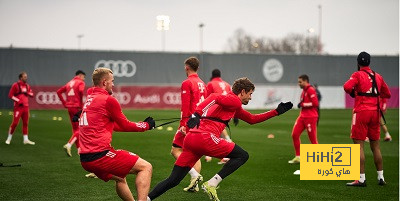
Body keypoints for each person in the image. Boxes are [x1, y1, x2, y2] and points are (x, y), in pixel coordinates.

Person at [148, 77, 293, 201]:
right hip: (205, 138)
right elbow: (213, 97)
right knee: (242, 155)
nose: (250, 97)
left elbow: (252, 119)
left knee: (173, 180)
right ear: (242, 91)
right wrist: (196, 114)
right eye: (250, 94)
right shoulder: (234, 100)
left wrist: (276, 112)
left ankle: (146, 199)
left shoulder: (234, 105)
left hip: (192, 139)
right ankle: (212, 184)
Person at [79, 67, 155, 200]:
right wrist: (146, 125)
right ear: (104, 82)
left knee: (120, 178)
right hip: (99, 156)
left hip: (85, 159)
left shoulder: (90, 98)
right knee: (146, 167)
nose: (113, 84)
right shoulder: (108, 100)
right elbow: (124, 124)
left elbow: (116, 126)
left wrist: (143, 125)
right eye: (112, 81)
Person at [344, 51, 391, 187]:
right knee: (375, 146)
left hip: (361, 112)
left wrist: (355, 92)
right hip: (375, 113)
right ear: (369, 62)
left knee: (358, 146)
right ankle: (381, 177)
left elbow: (347, 87)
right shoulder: (378, 76)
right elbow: (387, 93)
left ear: (358, 63)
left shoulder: (357, 75)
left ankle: (361, 179)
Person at [170, 57, 207, 192]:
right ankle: (195, 185)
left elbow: (185, 106)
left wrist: (183, 125)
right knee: (194, 154)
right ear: (197, 68)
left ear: (186, 67)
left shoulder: (187, 83)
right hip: (200, 122)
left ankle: (195, 175)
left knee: (175, 150)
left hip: (189, 123)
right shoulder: (203, 83)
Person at [288, 75, 319, 164]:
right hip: (302, 116)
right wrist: (301, 104)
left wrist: (303, 105)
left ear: (305, 81)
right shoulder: (304, 91)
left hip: (311, 117)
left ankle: (318, 159)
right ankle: (298, 157)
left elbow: (315, 103)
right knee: (294, 134)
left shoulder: (310, 90)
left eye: (300, 82)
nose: (299, 84)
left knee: (313, 139)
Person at [205, 69, 233, 164]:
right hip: (228, 110)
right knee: (218, 131)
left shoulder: (211, 84)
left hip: (217, 110)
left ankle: (222, 152)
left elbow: (208, 99)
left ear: (212, 75)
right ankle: (224, 151)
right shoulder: (227, 84)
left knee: (212, 132)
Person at [57, 70, 86, 157]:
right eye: (84, 77)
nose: (84, 79)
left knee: (75, 129)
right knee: (80, 129)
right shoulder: (80, 82)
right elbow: (81, 91)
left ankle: (79, 150)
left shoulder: (69, 83)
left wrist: (64, 103)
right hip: (76, 107)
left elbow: (59, 92)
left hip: (69, 107)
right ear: (80, 75)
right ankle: (69, 144)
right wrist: (81, 104)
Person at [5, 72, 35, 145]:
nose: (26, 78)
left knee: (25, 123)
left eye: (26, 77)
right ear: (21, 78)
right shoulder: (15, 85)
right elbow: (10, 95)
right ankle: (9, 138)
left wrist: (27, 93)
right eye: (25, 77)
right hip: (18, 107)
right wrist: (18, 101)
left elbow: (32, 94)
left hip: (26, 107)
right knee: (15, 123)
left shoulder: (27, 86)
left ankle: (25, 139)